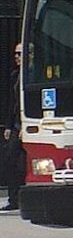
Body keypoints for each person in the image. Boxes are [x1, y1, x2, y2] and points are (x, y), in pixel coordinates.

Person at [2, 43, 25, 211]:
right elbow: (12, 102)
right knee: (10, 158)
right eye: (15, 53)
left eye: (19, 53)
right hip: (17, 123)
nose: (16, 57)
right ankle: (13, 197)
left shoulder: (34, 74)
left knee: (23, 162)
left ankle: (22, 195)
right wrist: (9, 126)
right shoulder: (15, 75)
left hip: (28, 123)